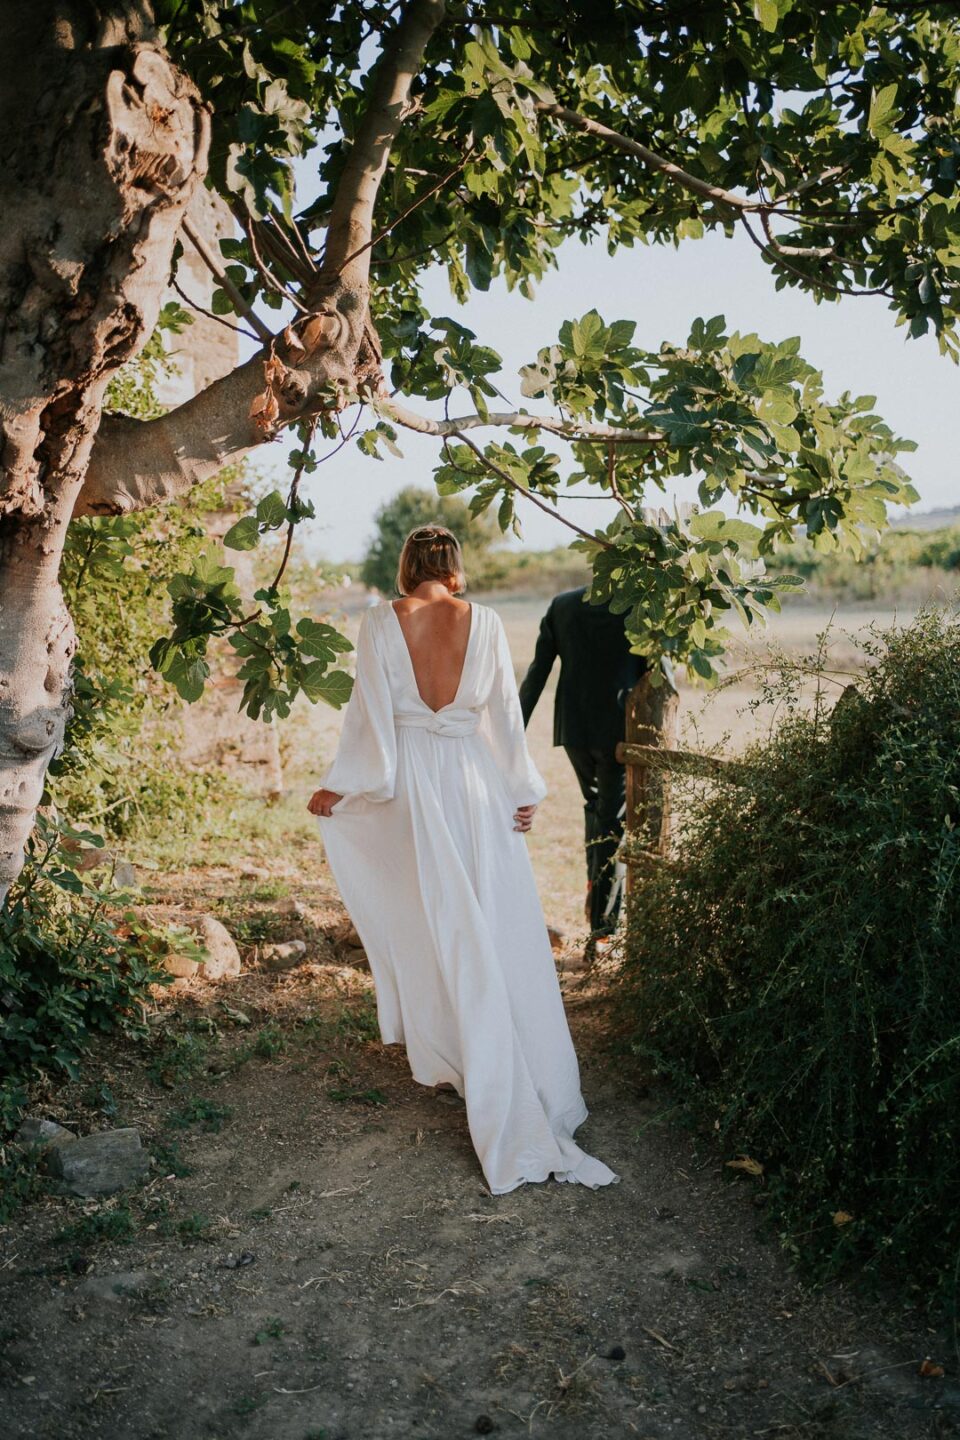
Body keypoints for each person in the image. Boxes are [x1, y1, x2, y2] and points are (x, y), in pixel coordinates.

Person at [307, 526, 618, 1196]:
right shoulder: (486, 621)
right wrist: (522, 789)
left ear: (406, 565)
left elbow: (369, 719)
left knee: (438, 921)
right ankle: (499, 1059)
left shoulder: (380, 622)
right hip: (477, 786)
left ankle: (471, 1054)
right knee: (496, 921)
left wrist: (343, 786)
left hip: (418, 786)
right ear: (454, 568)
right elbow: (504, 716)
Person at [518, 587, 646, 945]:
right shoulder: (638, 604)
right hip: (619, 731)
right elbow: (657, 671)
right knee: (612, 820)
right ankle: (603, 930)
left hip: (573, 730)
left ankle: (596, 892)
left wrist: (513, 731)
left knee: (597, 810)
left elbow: (537, 673)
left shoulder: (563, 605)